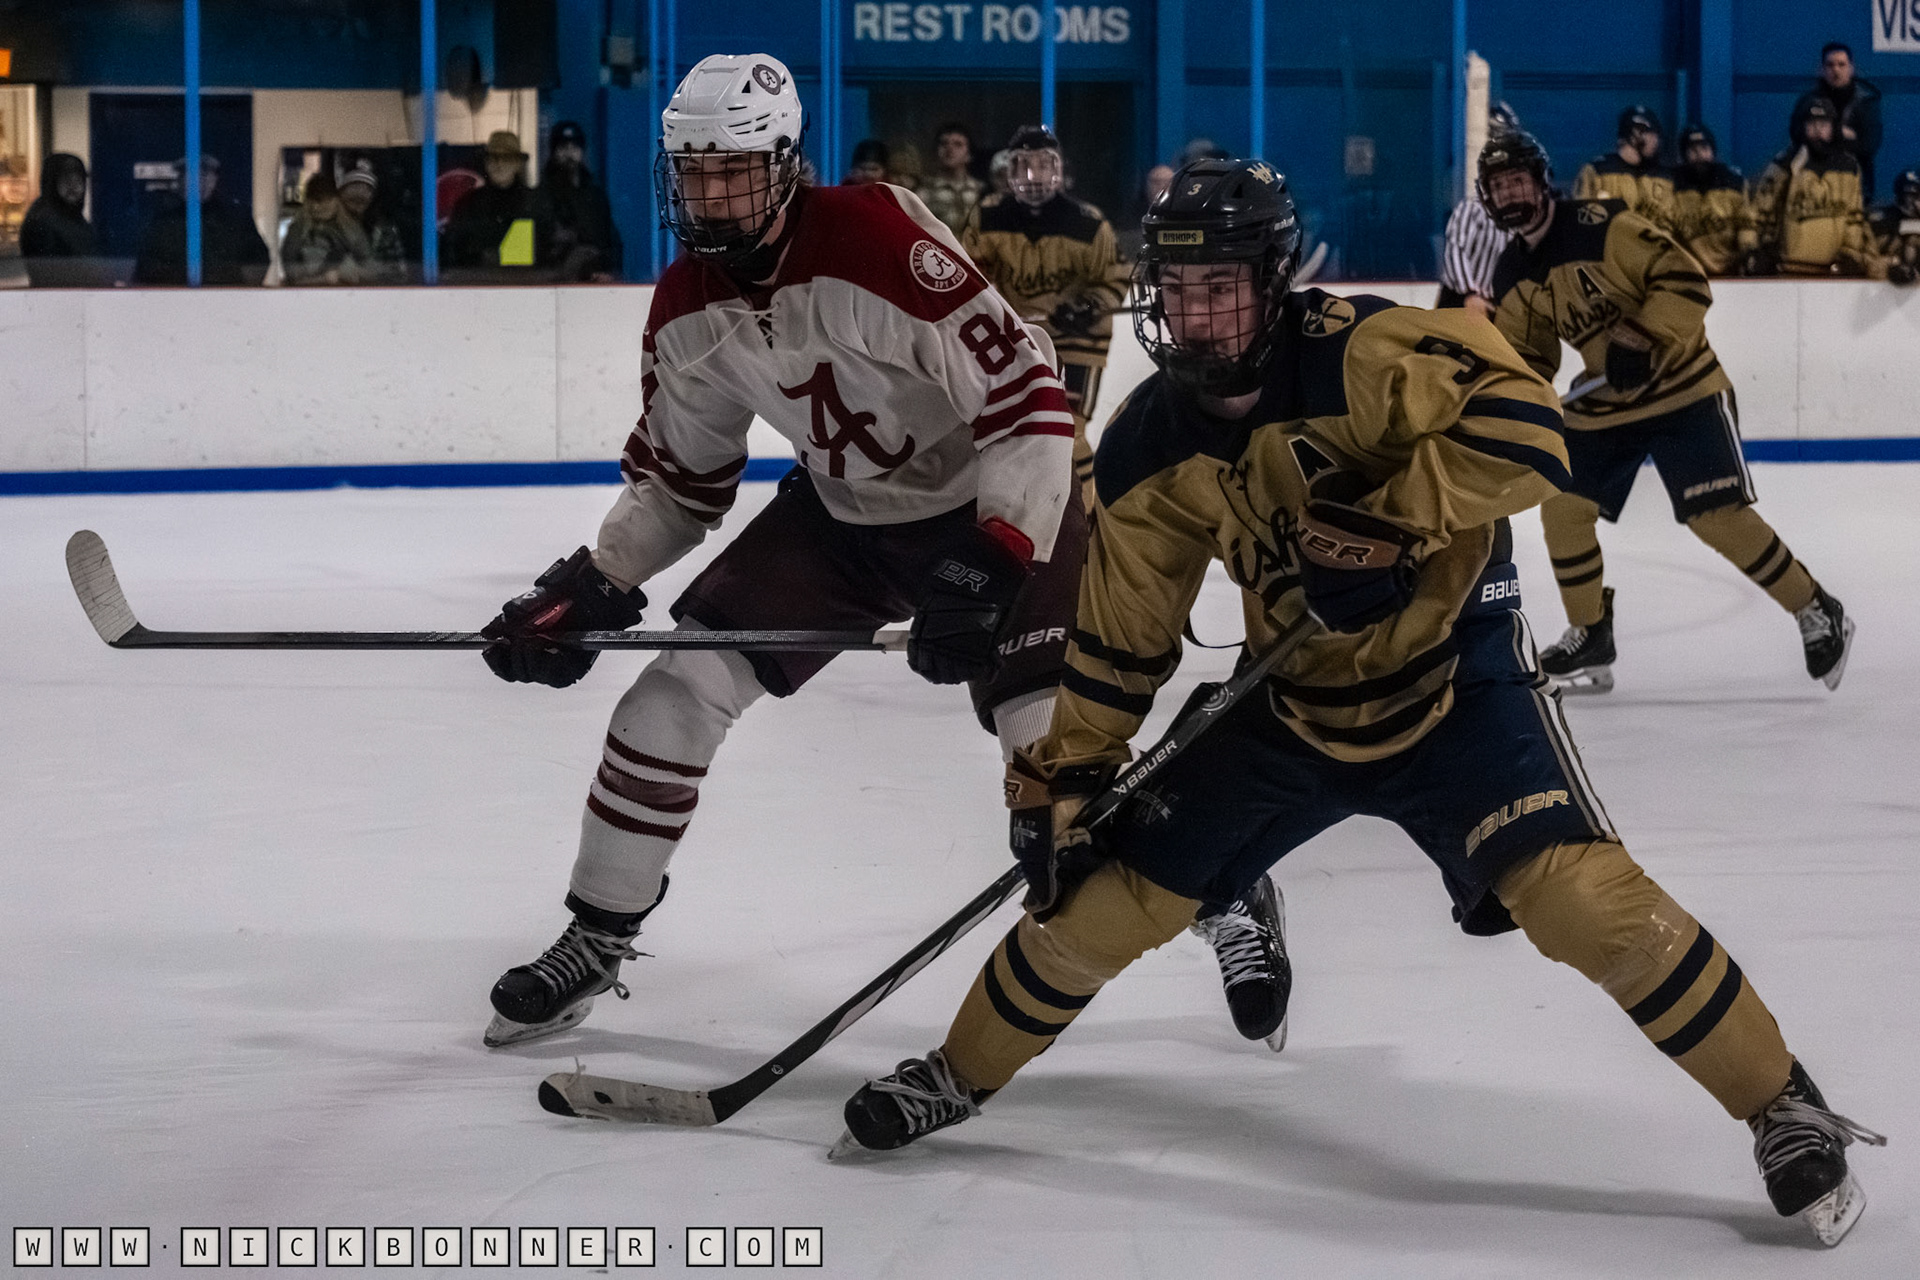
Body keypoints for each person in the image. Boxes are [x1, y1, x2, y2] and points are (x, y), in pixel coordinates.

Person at [835, 156, 1884, 1250]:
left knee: (1584, 902)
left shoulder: (1372, 348)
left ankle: (1785, 1101)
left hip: (1452, 688)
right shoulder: (1148, 436)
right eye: (1178, 289)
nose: (1196, 315)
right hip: (1289, 702)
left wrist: (1394, 519)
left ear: (1274, 278)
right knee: (1092, 905)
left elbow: (1533, 430)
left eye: (1223, 287)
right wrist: (1064, 775)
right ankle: (954, 1073)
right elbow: (1121, 636)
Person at [472, 52, 1085, 1048]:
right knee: (668, 699)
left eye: (731, 170)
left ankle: (1220, 882)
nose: (708, 195)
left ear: (786, 163)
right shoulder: (685, 305)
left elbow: (1026, 399)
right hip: (842, 519)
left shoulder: (877, 238)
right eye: (693, 173)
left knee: (1052, 749)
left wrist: (1001, 549)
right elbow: (684, 480)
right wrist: (595, 582)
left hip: (991, 506)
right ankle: (595, 933)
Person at [1478, 132, 1854, 694]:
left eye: (1518, 181)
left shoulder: (1603, 225)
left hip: (1684, 385)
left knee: (1715, 516)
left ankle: (1816, 607)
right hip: (1607, 403)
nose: (1510, 194)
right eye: (1498, 186)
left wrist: (1641, 334)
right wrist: (1516, 397)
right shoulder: (1511, 273)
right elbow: (1530, 357)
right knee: (1562, 507)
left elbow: (1686, 281)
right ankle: (1591, 633)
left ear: (1541, 179)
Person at [963, 126, 1127, 504]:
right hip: (1015, 340)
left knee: (1068, 428)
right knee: (1005, 429)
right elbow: (970, 276)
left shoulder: (1089, 223)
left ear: (1060, 169)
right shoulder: (986, 218)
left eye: (1043, 165)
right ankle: (1020, 509)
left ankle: (1083, 514)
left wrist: (1090, 305)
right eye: (1023, 166)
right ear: (1008, 170)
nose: (1033, 176)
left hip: (1078, 341)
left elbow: (1116, 279)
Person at [1750, 99, 1874, 277]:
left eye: (1824, 124)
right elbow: (1760, 211)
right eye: (1812, 124)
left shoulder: (1849, 167)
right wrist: (1757, 249)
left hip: (1832, 273)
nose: (1818, 130)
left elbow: (1854, 217)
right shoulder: (1785, 163)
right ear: (1802, 127)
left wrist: (1850, 254)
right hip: (1787, 270)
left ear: (1833, 127)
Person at [131, 154, 270, 286]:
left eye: (203, 174)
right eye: (188, 174)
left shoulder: (237, 219)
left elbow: (259, 263)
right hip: (174, 303)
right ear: (179, 181)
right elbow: (145, 269)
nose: (196, 181)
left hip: (227, 302)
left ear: (214, 180)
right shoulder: (163, 222)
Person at [1438, 101, 1523, 315]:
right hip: (1460, 300)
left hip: (1494, 303)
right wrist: (1469, 294)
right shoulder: (1475, 201)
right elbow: (1456, 248)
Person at [440, 130, 547, 279]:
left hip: (527, 286)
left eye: (507, 158)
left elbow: (547, 252)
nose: (499, 164)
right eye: (493, 158)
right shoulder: (468, 205)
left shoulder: (536, 204)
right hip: (479, 287)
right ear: (486, 163)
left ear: (518, 164)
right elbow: (453, 253)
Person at [536, 120, 623, 282]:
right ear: (553, 152)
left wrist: (607, 270)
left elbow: (610, 241)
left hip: (595, 281)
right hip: (556, 282)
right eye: (562, 147)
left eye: (574, 147)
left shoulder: (595, 195)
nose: (569, 153)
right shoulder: (542, 196)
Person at [1795, 42, 1883, 199]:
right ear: (1822, 69)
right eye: (1830, 65)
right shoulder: (1808, 102)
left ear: (1851, 68)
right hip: (1815, 187)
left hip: (1856, 188)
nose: (1836, 70)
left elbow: (1868, 145)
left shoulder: (1866, 102)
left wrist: (1829, 134)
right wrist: (1843, 134)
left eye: (1841, 64)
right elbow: (1798, 137)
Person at [1668, 123, 1756, 276]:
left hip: (1731, 272)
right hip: (1689, 274)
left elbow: (1746, 225)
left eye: (1704, 148)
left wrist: (1748, 253)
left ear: (1713, 152)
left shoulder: (1733, 182)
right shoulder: (1672, 185)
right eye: (1693, 150)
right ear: (1684, 155)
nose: (1699, 155)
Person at [1574, 106, 1675, 231]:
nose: (1657, 141)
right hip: (1610, 247)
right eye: (1653, 135)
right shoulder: (1597, 171)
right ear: (1636, 133)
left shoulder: (1664, 176)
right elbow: (1581, 220)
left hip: (1651, 248)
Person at [19, 152, 111, 287]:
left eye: (78, 180)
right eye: (66, 179)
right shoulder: (41, 221)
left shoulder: (72, 217)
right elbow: (49, 276)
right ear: (52, 181)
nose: (73, 186)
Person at [278, 170, 374, 285]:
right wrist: (321, 278)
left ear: (335, 200)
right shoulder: (298, 229)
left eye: (321, 200)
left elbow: (370, 269)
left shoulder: (351, 230)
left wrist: (347, 272)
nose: (315, 207)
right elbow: (289, 268)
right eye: (311, 201)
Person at [336, 161, 408, 283]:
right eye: (352, 200)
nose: (357, 208)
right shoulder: (326, 228)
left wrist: (366, 273)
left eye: (363, 201)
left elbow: (399, 274)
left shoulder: (385, 231)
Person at [918, 123, 986, 239]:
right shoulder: (924, 193)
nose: (949, 149)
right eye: (944, 143)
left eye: (958, 144)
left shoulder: (982, 190)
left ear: (969, 154)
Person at [1870, 166, 1920, 285]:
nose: (1916, 202)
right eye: (1914, 197)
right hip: (1885, 295)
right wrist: (1890, 267)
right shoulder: (1883, 222)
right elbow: (1868, 261)